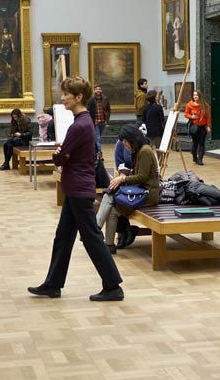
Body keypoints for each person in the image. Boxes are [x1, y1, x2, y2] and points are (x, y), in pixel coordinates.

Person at [29, 77, 124, 302]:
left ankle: (113, 286)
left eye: (66, 95)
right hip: (76, 189)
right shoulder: (84, 122)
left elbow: (59, 160)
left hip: (79, 190)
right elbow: (68, 156)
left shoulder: (79, 125)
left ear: (79, 97)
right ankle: (53, 284)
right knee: (63, 237)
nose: (62, 98)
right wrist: (65, 153)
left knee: (91, 238)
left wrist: (60, 153)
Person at [102, 125, 160, 254]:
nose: (125, 147)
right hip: (141, 190)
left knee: (113, 208)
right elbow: (140, 174)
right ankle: (106, 240)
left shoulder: (145, 151)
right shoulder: (141, 150)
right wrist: (127, 173)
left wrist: (122, 179)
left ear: (132, 140)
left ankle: (107, 242)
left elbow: (142, 177)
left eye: (125, 143)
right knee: (110, 195)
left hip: (147, 194)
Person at [183, 90, 211, 166]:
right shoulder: (189, 105)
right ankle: (194, 157)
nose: (195, 97)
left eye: (197, 95)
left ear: (200, 96)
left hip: (202, 127)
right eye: (194, 95)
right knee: (195, 143)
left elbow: (208, 117)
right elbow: (186, 114)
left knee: (202, 143)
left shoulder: (205, 105)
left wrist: (208, 126)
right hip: (194, 127)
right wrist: (191, 116)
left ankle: (200, 159)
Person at [87, 85, 111, 154]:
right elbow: (88, 110)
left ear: (101, 90)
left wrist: (107, 120)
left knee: (98, 138)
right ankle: (99, 153)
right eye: (96, 89)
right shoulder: (91, 99)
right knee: (98, 138)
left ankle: (95, 150)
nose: (98, 90)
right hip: (95, 122)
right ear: (94, 91)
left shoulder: (105, 98)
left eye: (99, 89)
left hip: (103, 122)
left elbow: (108, 110)